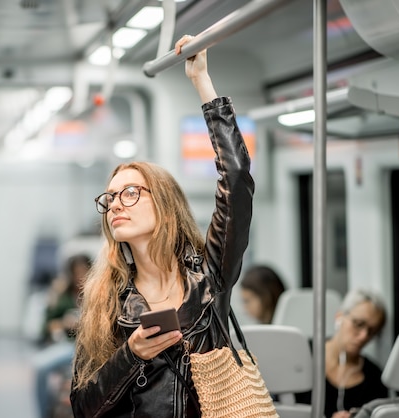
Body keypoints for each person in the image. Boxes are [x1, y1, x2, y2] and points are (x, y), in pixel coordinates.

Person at [70, 34, 255, 417]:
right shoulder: (108, 299)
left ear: (166, 205)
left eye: (131, 193)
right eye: (110, 198)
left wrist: (202, 81)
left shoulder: (210, 276)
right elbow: (82, 406)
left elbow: (236, 180)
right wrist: (131, 354)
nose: (116, 204)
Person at [296, 288, 388, 418]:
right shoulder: (302, 353)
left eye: (372, 331)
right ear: (339, 317)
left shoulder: (374, 378)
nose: (364, 336)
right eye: (359, 324)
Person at [34, 253, 92, 418]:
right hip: (69, 346)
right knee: (40, 367)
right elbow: (47, 326)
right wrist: (64, 323)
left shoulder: (98, 294)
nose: (80, 276)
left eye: (84, 271)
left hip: (92, 347)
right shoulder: (63, 297)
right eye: (76, 272)